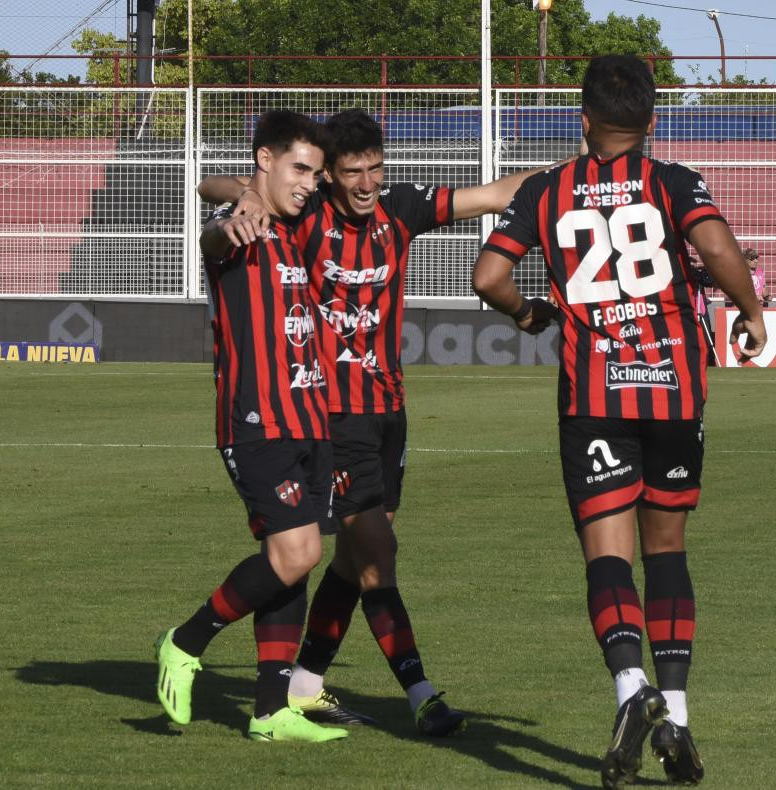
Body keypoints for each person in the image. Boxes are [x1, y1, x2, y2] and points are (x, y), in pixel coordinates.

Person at [199, 108, 567, 737]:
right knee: (376, 554)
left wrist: (580, 175)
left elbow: (501, 193)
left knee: (354, 558)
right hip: (327, 413)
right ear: (330, 177)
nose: (366, 184)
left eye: (375, 169)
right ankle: (421, 693)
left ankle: (306, 682)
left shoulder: (400, 209)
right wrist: (240, 198)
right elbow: (215, 186)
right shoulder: (306, 212)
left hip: (389, 410)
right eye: (352, 173)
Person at [472, 55, 767, 788]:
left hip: (593, 397)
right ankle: (678, 712)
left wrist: (527, 313)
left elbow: (488, 276)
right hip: (672, 390)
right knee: (666, 550)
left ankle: (631, 691)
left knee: (607, 555)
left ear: (583, 120)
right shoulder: (672, 181)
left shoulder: (547, 191)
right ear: (651, 122)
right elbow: (717, 247)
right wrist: (752, 313)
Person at [154, 110, 346, 743]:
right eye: (299, 169)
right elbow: (211, 198)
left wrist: (247, 191)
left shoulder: (300, 226)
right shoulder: (237, 229)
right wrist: (236, 203)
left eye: (316, 174)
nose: (309, 183)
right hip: (257, 421)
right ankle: (185, 642)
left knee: (290, 562)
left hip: (311, 419)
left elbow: (228, 180)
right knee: (300, 552)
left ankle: (269, 711)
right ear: (265, 159)